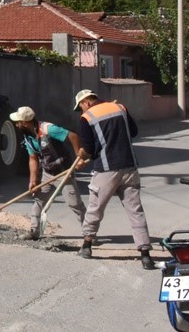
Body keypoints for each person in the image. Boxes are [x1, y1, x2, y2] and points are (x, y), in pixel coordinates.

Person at [73, 89, 154, 269]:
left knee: (95, 207)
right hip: (129, 166)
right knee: (135, 211)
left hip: (106, 170)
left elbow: (90, 149)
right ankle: (145, 254)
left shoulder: (86, 118)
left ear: (85, 102)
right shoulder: (120, 107)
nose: (81, 111)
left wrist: (82, 154)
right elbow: (133, 132)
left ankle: (86, 246)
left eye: (80, 107)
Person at [9, 106, 86, 239]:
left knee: (75, 205)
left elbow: (73, 136)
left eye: (18, 122)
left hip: (63, 173)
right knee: (38, 201)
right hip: (47, 173)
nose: (17, 124)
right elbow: (33, 158)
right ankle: (34, 231)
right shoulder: (28, 136)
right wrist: (33, 180)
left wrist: (79, 156)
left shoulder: (48, 129)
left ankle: (89, 233)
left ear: (25, 122)